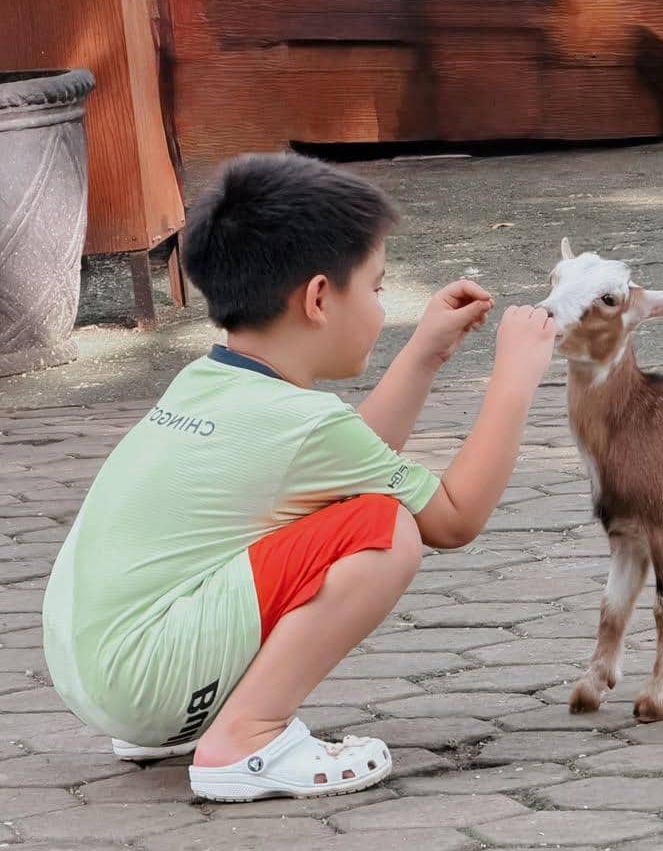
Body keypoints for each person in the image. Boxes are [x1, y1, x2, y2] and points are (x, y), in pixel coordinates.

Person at [42, 152, 556, 802]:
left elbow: (349, 461)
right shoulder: (302, 424)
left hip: (98, 676)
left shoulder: (210, 381)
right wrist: (516, 376)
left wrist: (426, 349)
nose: (379, 305)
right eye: (374, 288)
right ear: (318, 298)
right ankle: (246, 740)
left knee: (342, 513)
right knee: (382, 528)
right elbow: (453, 519)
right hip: (146, 677)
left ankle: (187, 723)